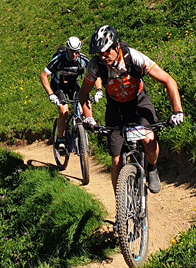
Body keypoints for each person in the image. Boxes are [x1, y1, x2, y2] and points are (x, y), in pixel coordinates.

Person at [77, 25, 184, 194]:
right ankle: (120, 208)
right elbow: (83, 94)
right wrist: (89, 117)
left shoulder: (134, 57)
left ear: (116, 46)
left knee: (149, 140)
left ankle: (153, 168)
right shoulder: (95, 65)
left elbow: (169, 80)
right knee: (117, 160)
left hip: (138, 102)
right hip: (115, 108)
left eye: (106, 52)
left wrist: (178, 111)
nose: (103, 57)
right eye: (99, 53)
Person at [40, 36, 103, 154]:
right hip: (58, 86)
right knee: (64, 110)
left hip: (73, 85)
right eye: (72, 52)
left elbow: (96, 74)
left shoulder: (83, 59)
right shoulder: (59, 59)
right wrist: (51, 94)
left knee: (84, 103)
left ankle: (83, 128)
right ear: (67, 50)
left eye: (77, 52)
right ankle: (61, 139)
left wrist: (99, 90)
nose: (75, 55)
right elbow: (43, 76)